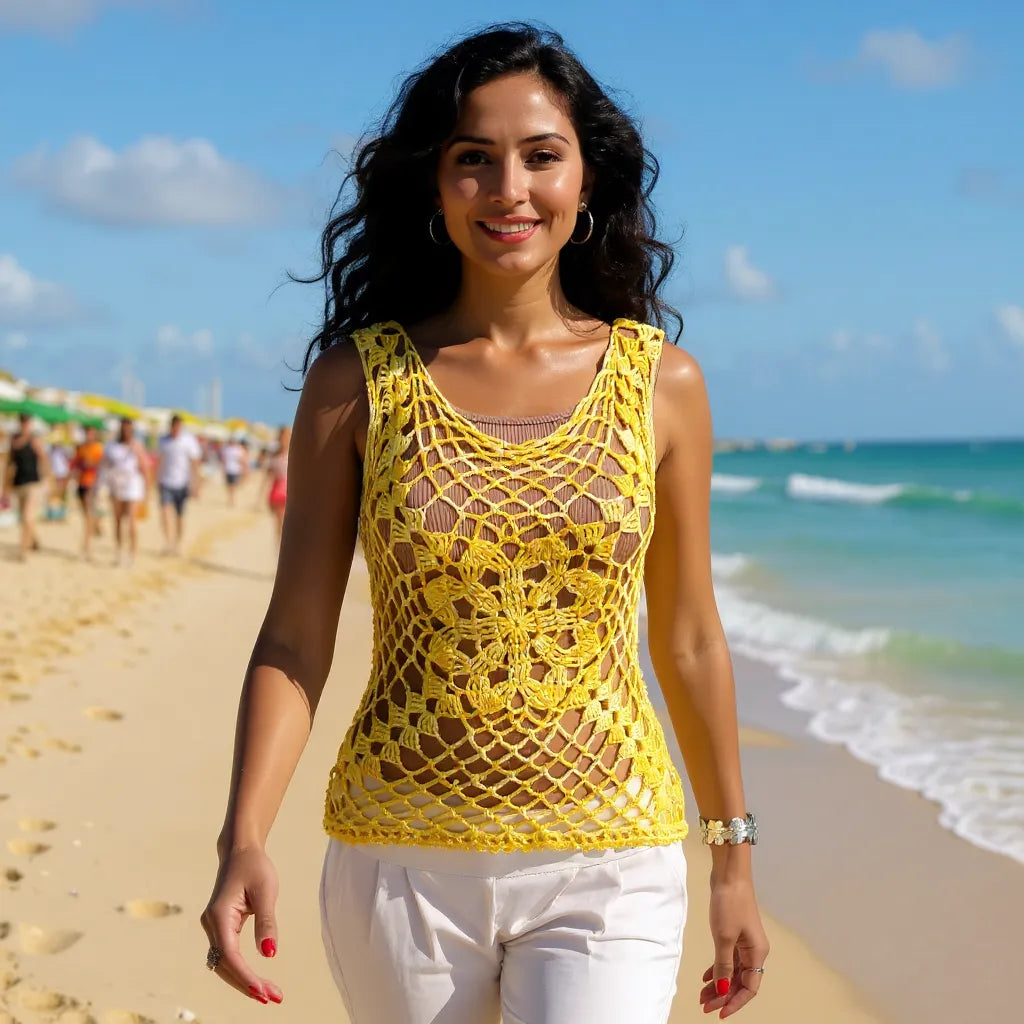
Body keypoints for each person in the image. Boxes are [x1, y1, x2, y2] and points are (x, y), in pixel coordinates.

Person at [201, 23, 768, 1023]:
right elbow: (295, 635)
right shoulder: (356, 383)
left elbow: (686, 635)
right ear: (435, 184)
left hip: (610, 860)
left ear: (585, 180)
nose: (510, 188)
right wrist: (243, 834)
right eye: (474, 159)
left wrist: (733, 859)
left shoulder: (661, 385)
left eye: (541, 156)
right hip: (400, 865)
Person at [102, 417, 149, 566]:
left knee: (132, 523)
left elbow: (145, 468)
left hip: (132, 486)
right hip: (116, 486)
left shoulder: (137, 446)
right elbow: (105, 466)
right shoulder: (111, 446)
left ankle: (132, 553)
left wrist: (147, 492)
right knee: (117, 521)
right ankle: (119, 551)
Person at [3, 413, 47, 560]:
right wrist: (5, 488)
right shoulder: (14, 441)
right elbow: (9, 465)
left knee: (28, 517)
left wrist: (49, 481)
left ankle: (23, 551)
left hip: (33, 483)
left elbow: (43, 459)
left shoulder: (34, 440)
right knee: (25, 518)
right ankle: (34, 540)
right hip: (18, 483)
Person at [156, 414, 203, 555]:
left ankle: (178, 543)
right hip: (166, 482)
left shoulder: (188, 441)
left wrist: (196, 484)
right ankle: (168, 541)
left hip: (182, 483)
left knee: (180, 516)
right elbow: (159, 461)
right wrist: (155, 480)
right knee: (164, 512)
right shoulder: (164, 441)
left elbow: (195, 463)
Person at [71, 424, 105, 560]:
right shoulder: (82, 448)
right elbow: (75, 464)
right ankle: (96, 525)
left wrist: (88, 464)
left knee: (88, 517)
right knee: (87, 516)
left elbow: (100, 465)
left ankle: (86, 545)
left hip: (92, 484)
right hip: (81, 483)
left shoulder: (97, 448)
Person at [262, 426, 289, 541]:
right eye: (283, 436)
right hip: (278, 489)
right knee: (280, 521)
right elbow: (268, 476)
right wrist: (261, 494)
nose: (284, 439)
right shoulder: (274, 455)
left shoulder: (295, 453)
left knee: (285, 523)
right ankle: (280, 547)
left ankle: (282, 546)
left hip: (289, 490)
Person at [220, 435, 248, 507]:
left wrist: (244, 470)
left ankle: (232, 499)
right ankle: (230, 498)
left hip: (235, 470)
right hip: (228, 469)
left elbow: (243, 460)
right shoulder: (226, 449)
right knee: (229, 485)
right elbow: (224, 460)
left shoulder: (239, 450)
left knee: (233, 485)